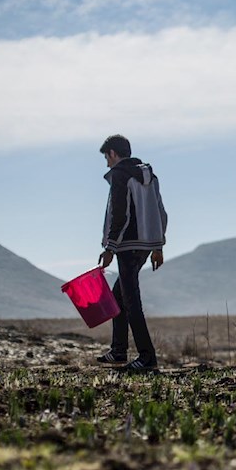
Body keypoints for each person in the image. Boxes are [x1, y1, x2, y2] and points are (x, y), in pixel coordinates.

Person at [96, 134, 168, 373]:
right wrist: (157, 246)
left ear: (114, 154)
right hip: (145, 246)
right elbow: (161, 212)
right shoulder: (151, 177)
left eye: (107, 157)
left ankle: (147, 357)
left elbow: (120, 214)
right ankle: (118, 350)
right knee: (119, 297)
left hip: (126, 246)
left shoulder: (119, 175)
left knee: (130, 301)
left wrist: (110, 248)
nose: (107, 163)